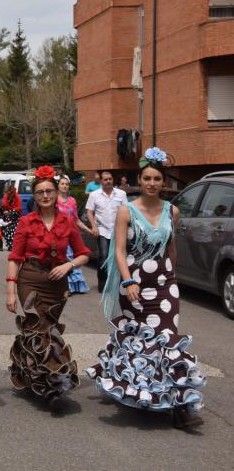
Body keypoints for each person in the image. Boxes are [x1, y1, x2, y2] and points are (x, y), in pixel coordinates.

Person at [86, 148, 205, 429]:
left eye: (157, 179)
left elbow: (171, 248)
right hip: (134, 286)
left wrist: (173, 279)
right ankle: (136, 389)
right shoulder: (126, 210)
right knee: (138, 339)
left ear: (164, 182)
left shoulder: (172, 211)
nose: (152, 183)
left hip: (165, 286)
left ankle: (180, 406)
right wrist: (128, 281)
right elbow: (119, 251)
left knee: (168, 340)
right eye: (147, 178)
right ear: (139, 180)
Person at [6, 166, 90, 407]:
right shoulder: (26, 222)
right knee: (39, 327)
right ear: (34, 196)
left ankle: (31, 374)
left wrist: (68, 266)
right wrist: (10, 291)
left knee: (48, 329)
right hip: (30, 279)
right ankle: (51, 387)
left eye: (49, 191)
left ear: (56, 193)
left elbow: (84, 254)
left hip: (57, 283)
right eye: (40, 192)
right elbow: (15, 258)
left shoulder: (68, 222)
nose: (45, 196)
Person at [85, 171, 127, 291]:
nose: (108, 181)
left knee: (119, 257)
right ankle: (102, 284)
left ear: (113, 180)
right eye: (105, 179)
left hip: (118, 230)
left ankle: (119, 283)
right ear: (101, 181)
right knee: (103, 257)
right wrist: (94, 226)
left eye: (110, 179)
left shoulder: (121, 194)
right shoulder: (94, 195)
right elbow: (89, 212)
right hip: (102, 230)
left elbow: (126, 210)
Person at [56, 175, 92, 295]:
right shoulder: (54, 200)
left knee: (73, 260)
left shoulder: (72, 201)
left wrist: (88, 230)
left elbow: (76, 219)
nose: (64, 186)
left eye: (66, 184)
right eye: (62, 184)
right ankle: (65, 287)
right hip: (58, 235)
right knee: (63, 260)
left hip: (71, 234)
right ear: (58, 186)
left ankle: (75, 286)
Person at [1, 183, 22, 251]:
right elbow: (3, 205)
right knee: (7, 231)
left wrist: (11, 211)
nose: (10, 194)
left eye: (11, 193)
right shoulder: (6, 196)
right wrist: (5, 210)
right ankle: (10, 245)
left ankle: (14, 246)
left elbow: (19, 207)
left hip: (15, 216)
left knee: (14, 232)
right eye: (8, 193)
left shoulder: (17, 197)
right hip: (8, 217)